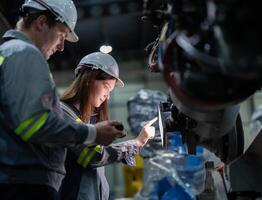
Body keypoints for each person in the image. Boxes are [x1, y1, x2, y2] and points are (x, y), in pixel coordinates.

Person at [0, 0, 125, 199]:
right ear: (41, 22)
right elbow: (34, 123)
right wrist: (93, 133)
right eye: (61, 35)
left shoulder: (9, 53)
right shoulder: (24, 53)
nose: (61, 47)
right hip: (25, 185)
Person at [58, 51, 157, 200]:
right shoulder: (63, 113)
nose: (107, 96)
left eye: (110, 91)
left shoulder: (86, 120)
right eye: (105, 86)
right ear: (88, 80)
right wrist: (137, 143)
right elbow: (93, 156)